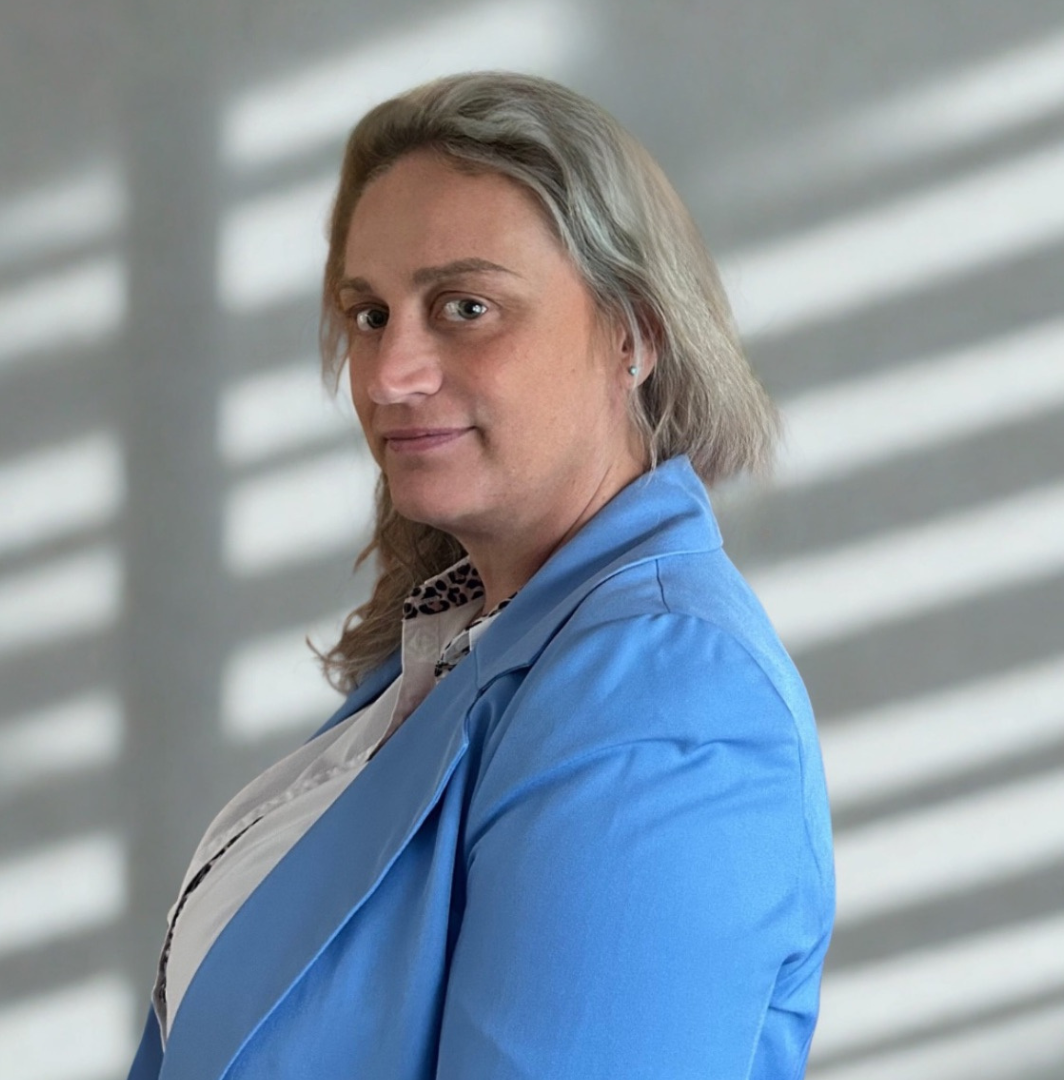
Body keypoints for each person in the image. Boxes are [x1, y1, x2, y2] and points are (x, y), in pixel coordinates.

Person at [127, 71, 834, 1080]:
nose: (388, 375)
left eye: (464, 306)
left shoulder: (665, 698)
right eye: (370, 314)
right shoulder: (469, 638)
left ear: (632, 333)